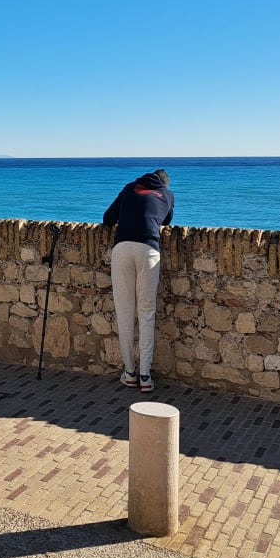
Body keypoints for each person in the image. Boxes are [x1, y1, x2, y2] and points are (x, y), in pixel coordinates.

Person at [103, 168, 174, 392]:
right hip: (149, 250)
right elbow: (167, 219)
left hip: (123, 248)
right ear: (164, 184)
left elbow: (107, 218)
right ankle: (145, 376)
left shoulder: (130, 188)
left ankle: (129, 373)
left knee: (124, 312)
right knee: (146, 313)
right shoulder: (167, 195)